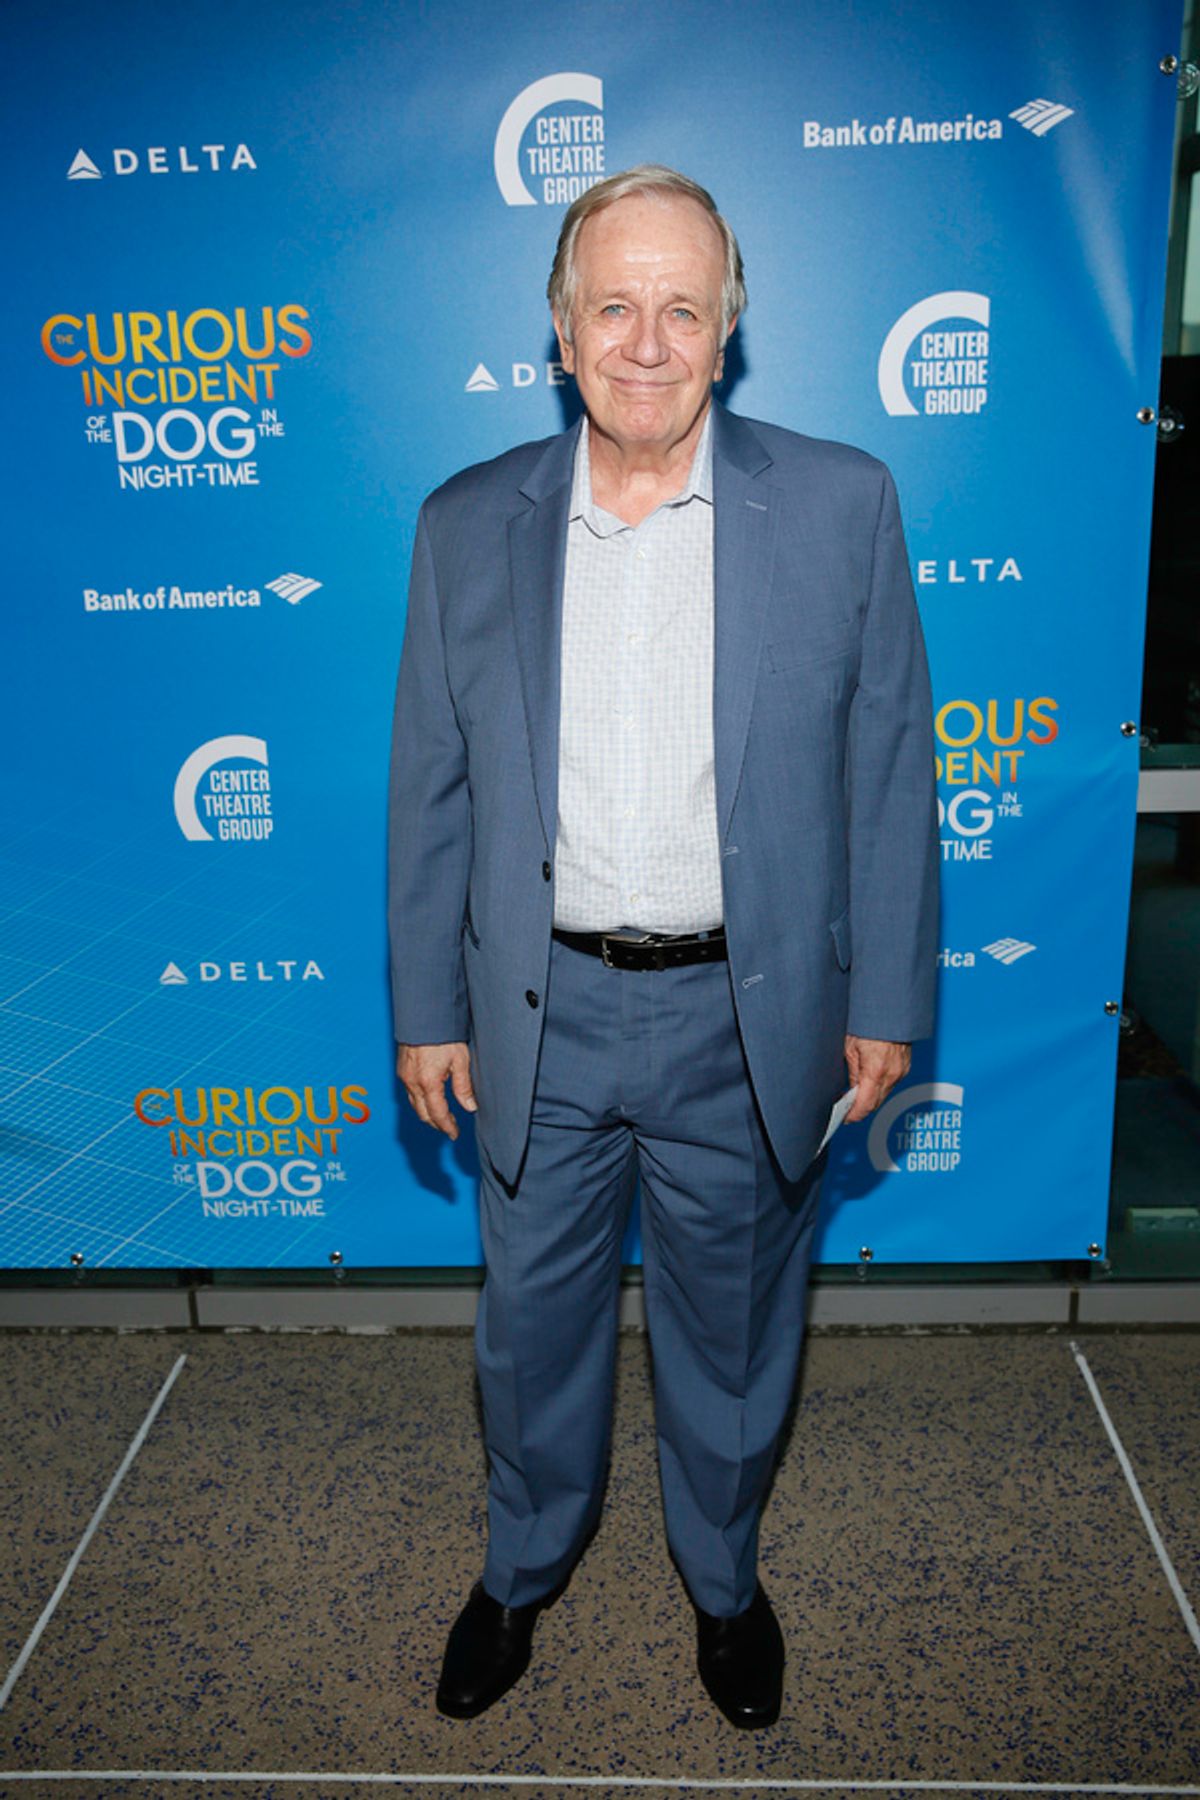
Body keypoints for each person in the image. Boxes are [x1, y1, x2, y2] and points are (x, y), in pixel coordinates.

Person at [388, 164, 938, 1729]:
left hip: (743, 1018)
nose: (646, 339)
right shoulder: (462, 521)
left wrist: (888, 994)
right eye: (612, 305)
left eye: (680, 307)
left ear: (729, 329)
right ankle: (520, 1571)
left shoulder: (842, 504)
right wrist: (429, 1002)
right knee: (530, 1332)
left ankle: (723, 1578)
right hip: (539, 1019)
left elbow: (893, 770)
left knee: (741, 1329)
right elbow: (430, 783)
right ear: (562, 333)